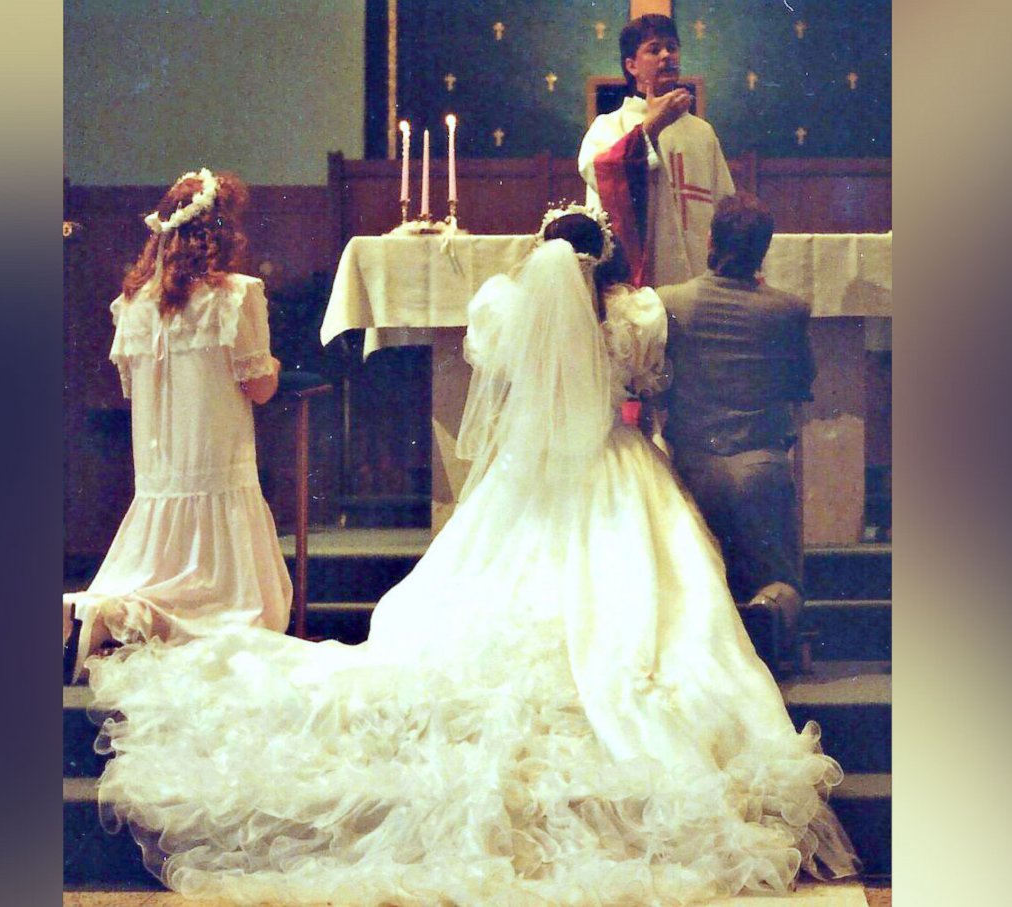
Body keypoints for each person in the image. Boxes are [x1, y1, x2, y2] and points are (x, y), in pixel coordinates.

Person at [83, 204, 858, 905]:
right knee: (657, 609)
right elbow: (649, 385)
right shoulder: (638, 314)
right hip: (615, 469)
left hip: (525, 475)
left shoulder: (502, 307)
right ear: (605, 262)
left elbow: (496, 371)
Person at [63, 169, 289, 679]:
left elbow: (134, 388)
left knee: (157, 579)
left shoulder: (133, 304)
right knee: (247, 613)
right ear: (221, 231)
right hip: (218, 465)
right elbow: (258, 386)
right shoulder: (237, 294)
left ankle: (110, 613)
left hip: (159, 477)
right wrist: (272, 368)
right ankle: (120, 616)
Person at [654, 194, 818, 678]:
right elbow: (800, 384)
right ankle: (768, 624)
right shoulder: (787, 310)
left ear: (709, 241)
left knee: (701, 575)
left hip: (693, 468)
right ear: (762, 251)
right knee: (780, 580)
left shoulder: (671, 302)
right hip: (761, 467)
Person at [580, 13, 736, 288]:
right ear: (632, 65)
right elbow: (601, 174)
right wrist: (649, 129)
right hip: (637, 277)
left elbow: (725, 204)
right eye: (654, 49)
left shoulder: (702, 132)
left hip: (699, 276)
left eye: (672, 47)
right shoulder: (609, 126)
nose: (667, 55)